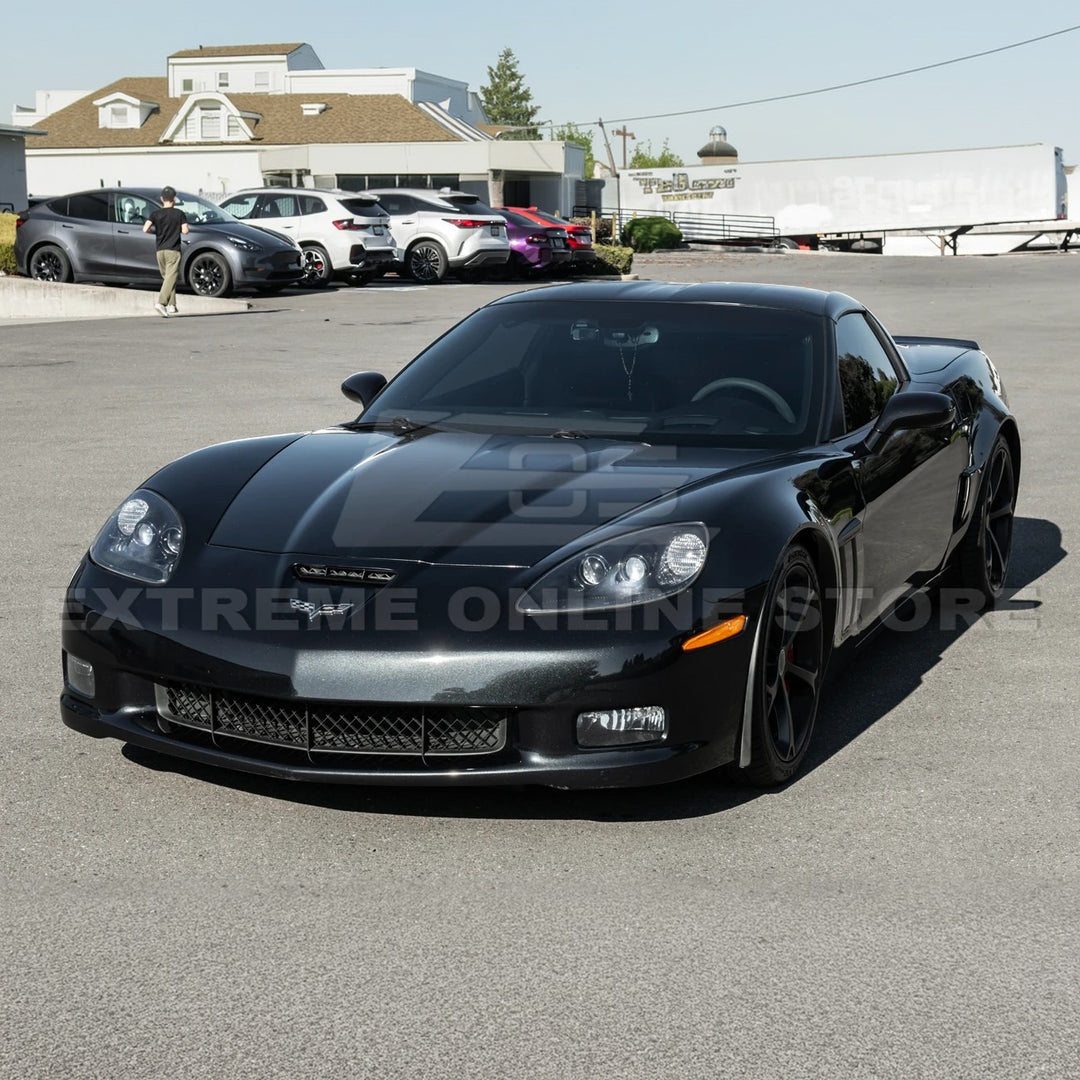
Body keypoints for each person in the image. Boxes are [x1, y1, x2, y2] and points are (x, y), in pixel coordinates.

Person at [143, 185, 189, 317]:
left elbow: (145, 229)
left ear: (162, 199)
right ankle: (161, 303)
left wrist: (157, 231)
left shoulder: (155, 214)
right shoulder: (179, 214)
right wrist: (175, 230)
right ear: (174, 199)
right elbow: (185, 230)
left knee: (168, 278)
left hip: (160, 250)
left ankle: (172, 305)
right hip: (173, 250)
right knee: (171, 277)